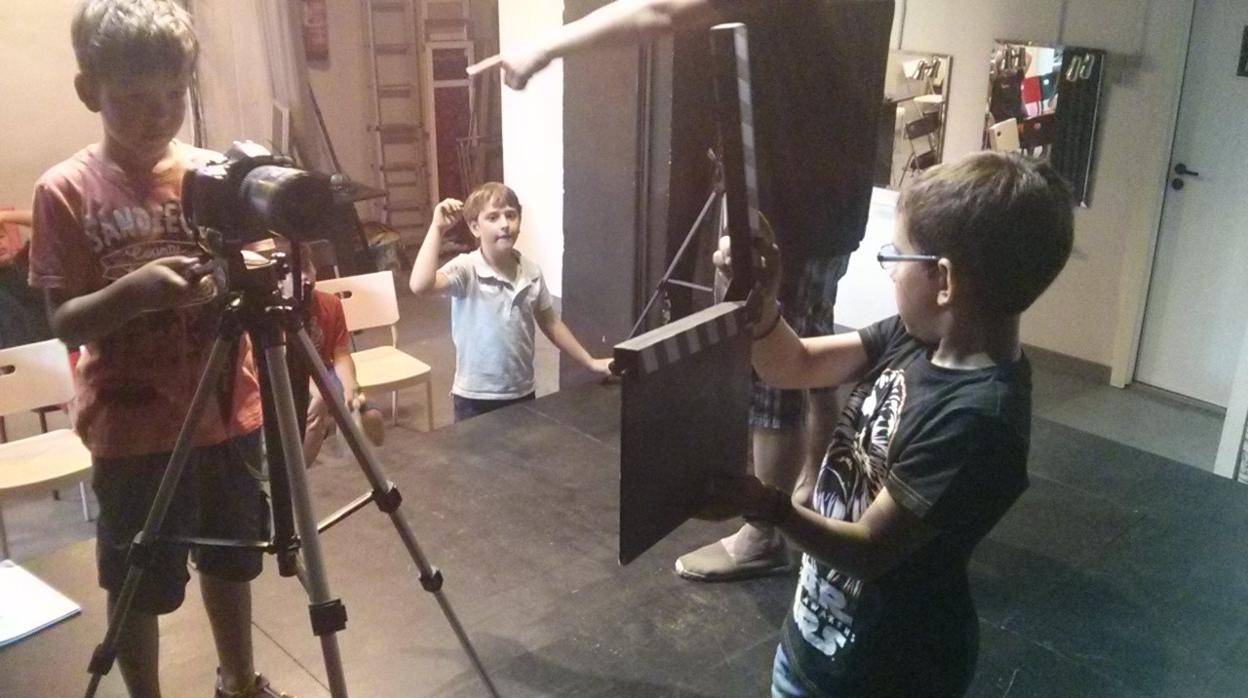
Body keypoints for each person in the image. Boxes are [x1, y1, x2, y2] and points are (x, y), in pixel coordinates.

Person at [470, 0, 894, 580]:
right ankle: (812, 493)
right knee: (814, 335)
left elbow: (662, 8)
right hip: (837, 196)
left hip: (784, 199)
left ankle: (764, 533)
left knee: (770, 370)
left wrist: (545, 48)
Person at [698, 151, 1074, 696]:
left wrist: (766, 505)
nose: (892, 270)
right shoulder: (913, 336)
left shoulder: (978, 420)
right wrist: (763, 301)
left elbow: (868, 550)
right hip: (819, 640)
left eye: (896, 256)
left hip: (885, 674)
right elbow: (793, 364)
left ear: (943, 280)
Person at [26, 2, 290, 696]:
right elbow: (66, 323)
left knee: (232, 560)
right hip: (132, 429)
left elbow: (257, 262)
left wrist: (245, 270)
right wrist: (136, 294)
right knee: (138, 579)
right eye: (137, 98)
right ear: (90, 91)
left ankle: (239, 680)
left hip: (226, 413)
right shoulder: (64, 190)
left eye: (175, 94)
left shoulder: (212, 174)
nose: (161, 114)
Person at [409, 183, 612, 421]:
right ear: (475, 227)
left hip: (521, 391)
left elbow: (551, 323)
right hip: (474, 397)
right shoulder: (466, 269)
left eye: (511, 215)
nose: (504, 224)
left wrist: (590, 362)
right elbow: (420, 285)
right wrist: (437, 229)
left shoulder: (531, 271)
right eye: (493, 217)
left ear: (520, 222)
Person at [295, 244, 386, 465]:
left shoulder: (331, 304)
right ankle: (299, 473)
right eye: (296, 272)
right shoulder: (278, 315)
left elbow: (341, 353)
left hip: (326, 372)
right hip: (293, 377)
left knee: (371, 418)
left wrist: (350, 386)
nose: (304, 277)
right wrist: (321, 393)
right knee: (315, 415)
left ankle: (374, 469)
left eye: (307, 267)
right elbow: (293, 365)